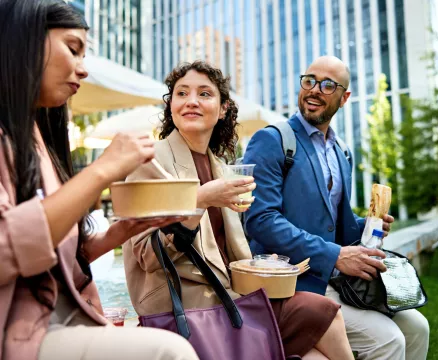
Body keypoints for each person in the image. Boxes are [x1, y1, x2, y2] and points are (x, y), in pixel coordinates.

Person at [0, 1, 199, 359]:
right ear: (22, 39)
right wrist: (101, 171)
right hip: (20, 329)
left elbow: (49, 257)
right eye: (73, 48)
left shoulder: (35, 137)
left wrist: (117, 233)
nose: (83, 69)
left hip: (62, 315)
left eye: (205, 94)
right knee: (170, 351)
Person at [123, 60, 354, 360]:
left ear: (222, 109)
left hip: (231, 300)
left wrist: (263, 265)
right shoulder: (149, 162)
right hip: (186, 311)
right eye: (181, 94)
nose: (191, 101)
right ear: (171, 106)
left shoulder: (221, 168)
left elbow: (226, 254)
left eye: (204, 94)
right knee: (324, 312)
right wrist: (200, 199)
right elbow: (147, 256)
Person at [242, 55, 430, 360]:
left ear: (344, 98)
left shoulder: (342, 151)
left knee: (418, 327)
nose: (315, 90)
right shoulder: (272, 140)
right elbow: (261, 220)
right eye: (309, 81)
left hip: (336, 281)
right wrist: (335, 255)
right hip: (292, 284)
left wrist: (368, 224)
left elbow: (334, 224)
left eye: (328, 85)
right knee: (389, 341)